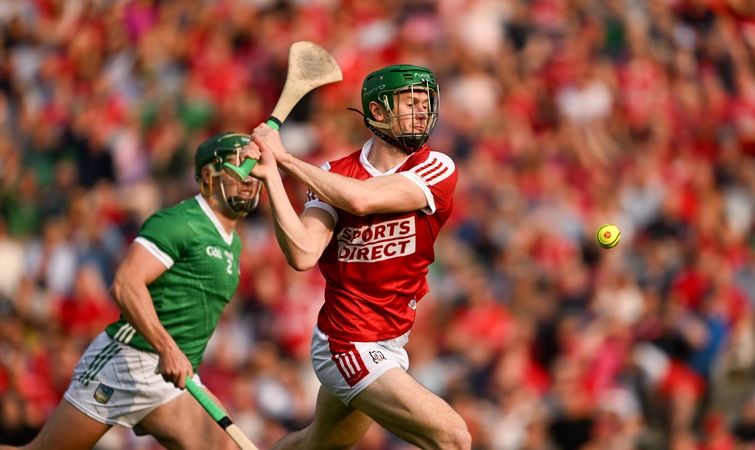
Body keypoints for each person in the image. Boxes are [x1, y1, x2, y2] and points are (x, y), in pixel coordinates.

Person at [241, 64, 472, 449]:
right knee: (453, 438)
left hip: (391, 339)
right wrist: (273, 176)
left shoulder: (435, 167)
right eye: (409, 103)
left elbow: (361, 199)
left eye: (424, 102)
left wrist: (286, 160)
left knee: (319, 445)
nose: (421, 112)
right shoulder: (334, 173)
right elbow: (302, 252)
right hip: (346, 341)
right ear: (377, 113)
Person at [0, 133, 261, 450]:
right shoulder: (179, 223)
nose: (249, 179)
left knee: (224, 448)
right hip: (125, 363)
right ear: (209, 175)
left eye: (255, 169)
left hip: (173, 381)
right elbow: (125, 284)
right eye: (240, 167)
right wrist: (166, 347)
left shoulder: (233, 243)